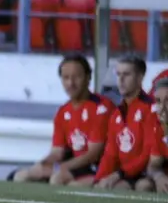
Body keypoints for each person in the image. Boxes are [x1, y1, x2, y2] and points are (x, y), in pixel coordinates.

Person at [11, 55, 111, 185]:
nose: (71, 83)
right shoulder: (63, 112)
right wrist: (43, 164)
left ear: (88, 77)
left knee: (57, 179)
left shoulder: (102, 108)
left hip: (98, 166)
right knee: (22, 176)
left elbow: (93, 155)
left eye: (77, 77)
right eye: (66, 78)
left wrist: (61, 167)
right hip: (75, 165)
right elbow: (57, 151)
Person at [95, 56, 160, 191]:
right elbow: (110, 154)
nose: (121, 80)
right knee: (107, 186)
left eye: (126, 74)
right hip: (125, 174)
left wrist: (119, 174)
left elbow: (148, 153)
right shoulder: (116, 114)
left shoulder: (152, 109)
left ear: (140, 77)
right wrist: (98, 179)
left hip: (148, 173)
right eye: (118, 74)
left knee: (143, 187)